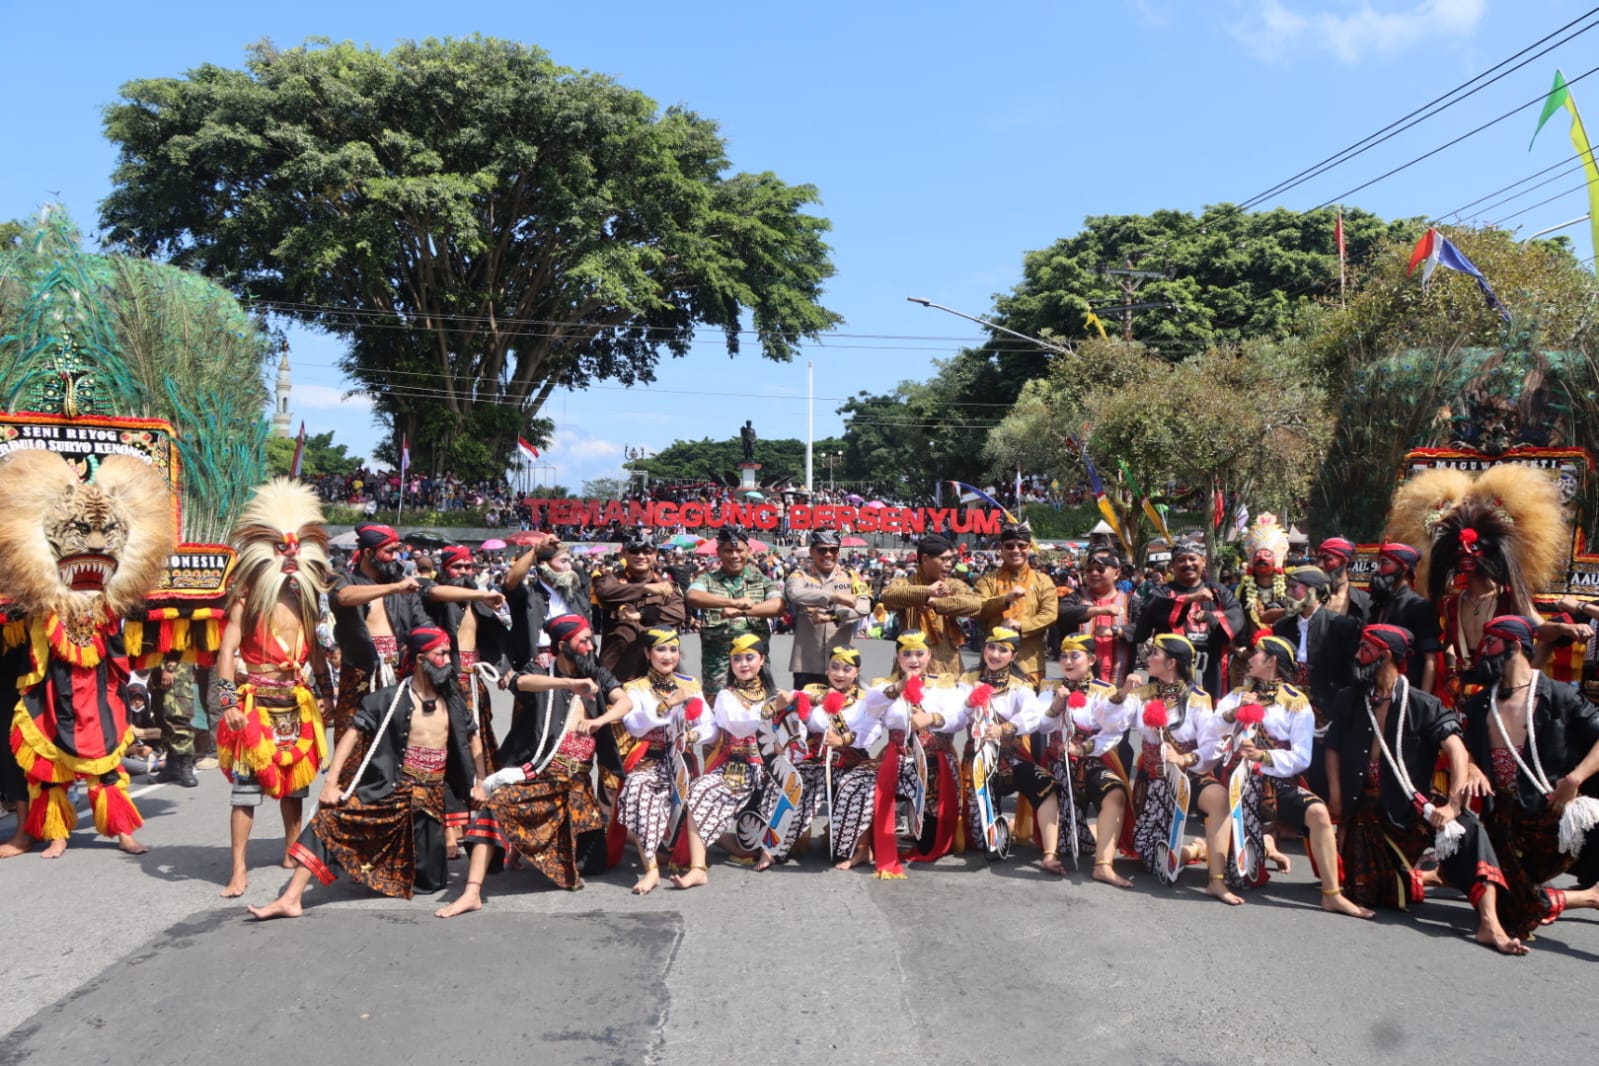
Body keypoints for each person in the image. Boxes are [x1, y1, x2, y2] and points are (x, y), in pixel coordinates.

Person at [0, 451, 175, 859]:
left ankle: (121, 829)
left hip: (98, 687)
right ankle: (54, 831)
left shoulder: (114, 594)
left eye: (105, 532)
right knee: (47, 759)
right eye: (82, 531)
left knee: (107, 755)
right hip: (51, 684)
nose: (95, 544)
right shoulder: (38, 592)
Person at [247, 627, 486, 919]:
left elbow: (474, 737)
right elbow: (351, 735)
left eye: (449, 653)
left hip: (433, 801)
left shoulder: (454, 700)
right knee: (329, 819)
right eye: (441, 654)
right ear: (421, 658)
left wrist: (481, 782)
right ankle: (291, 898)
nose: (448, 660)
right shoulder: (389, 699)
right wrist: (331, 783)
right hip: (393, 790)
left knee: (429, 882)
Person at [1323, 625, 1523, 955]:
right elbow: (1331, 746)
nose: (1358, 655)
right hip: (1364, 810)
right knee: (1370, 893)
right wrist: (1335, 794)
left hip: (1409, 806)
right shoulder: (1350, 699)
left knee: (1469, 832)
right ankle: (1424, 876)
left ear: (1386, 656)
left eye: (1365, 649)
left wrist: (1455, 805)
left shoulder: (1423, 705)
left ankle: (1490, 924)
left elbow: (1457, 750)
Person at [436, 615, 631, 917]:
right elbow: (520, 681)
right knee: (496, 802)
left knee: (591, 865)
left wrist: (598, 721)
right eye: (583, 640)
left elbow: (624, 702)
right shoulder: (542, 672)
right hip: (542, 774)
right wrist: (569, 683)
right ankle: (472, 891)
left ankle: (523, 846)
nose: (590, 645)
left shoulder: (596, 673)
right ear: (563, 645)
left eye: (590, 639)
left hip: (576, 786)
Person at [213, 479, 336, 898]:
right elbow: (226, 652)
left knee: (294, 786)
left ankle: (291, 849)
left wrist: (328, 693)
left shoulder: (306, 598)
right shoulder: (247, 599)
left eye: (295, 549)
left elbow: (317, 652)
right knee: (245, 791)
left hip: (295, 701)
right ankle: (238, 869)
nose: (289, 556)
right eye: (282, 549)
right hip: (255, 703)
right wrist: (228, 701)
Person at [1456, 615, 1599, 940]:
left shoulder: (1559, 696)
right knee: (1497, 904)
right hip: (1500, 821)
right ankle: (1588, 897)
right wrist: (1473, 767)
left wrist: (1575, 779)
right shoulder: (1480, 703)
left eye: (1491, 644)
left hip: (1549, 820)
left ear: (1516, 646)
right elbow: (1460, 747)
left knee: (1508, 908)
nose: (1483, 651)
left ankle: (1582, 893)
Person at [1214, 634, 1372, 918]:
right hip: (1239, 782)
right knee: (1240, 874)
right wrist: (1235, 712)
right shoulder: (1239, 694)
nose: (1249, 659)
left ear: (1272, 661)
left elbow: (1302, 758)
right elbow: (1212, 729)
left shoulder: (1297, 703)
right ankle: (1224, 850)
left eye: (1256, 654)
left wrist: (1262, 756)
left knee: (1318, 812)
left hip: (1276, 779)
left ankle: (1332, 894)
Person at [671, 634, 801, 888]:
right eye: (737, 659)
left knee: (791, 787)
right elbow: (738, 726)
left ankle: (768, 850)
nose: (744, 664)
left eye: (750, 657)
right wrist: (692, 735)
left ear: (762, 660)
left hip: (771, 769)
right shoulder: (726, 696)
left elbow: (796, 734)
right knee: (700, 790)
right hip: (736, 768)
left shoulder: (777, 695)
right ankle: (698, 867)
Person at [1119, 634, 1240, 904]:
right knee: (1151, 856)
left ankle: (1216, 881)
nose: (1147, 659)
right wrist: (1123, 693)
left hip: (1190, 775)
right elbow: (1111, 723)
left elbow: (1213, 747)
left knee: (1220, 798)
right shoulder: (1142, 695)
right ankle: (1195, 849)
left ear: (1171, 662)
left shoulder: (1199, 698)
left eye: (1154, 654)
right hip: (1153, 779)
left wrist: (1185, 760)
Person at [863, 631, 968, 873]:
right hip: (897, 756)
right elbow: (872, 706)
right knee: (860, 782)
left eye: (919, 654)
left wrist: (931, 718)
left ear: (929, 655)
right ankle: (866, 840)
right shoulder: (884, 685)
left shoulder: (943, 684)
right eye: (906, 654)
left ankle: (923, 826)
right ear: (898, 657)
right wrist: (899, 687)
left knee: (927, 845)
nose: (914, 660)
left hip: (934, 758)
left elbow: (959, 718)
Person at [959, 626, 1061, 870]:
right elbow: (955, 716)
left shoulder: (1020, 685)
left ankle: (1049, 854)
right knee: (988, 844)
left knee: (1045, 783)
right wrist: (967, 705)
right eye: (991, 647)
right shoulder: (968, 681)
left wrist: (1004, 729)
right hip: (978, 760)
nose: (995, 654)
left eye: (1003, 650)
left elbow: (1032, 716)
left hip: (1011, 757)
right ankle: (1001, 826)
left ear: (1013, 656)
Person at [1038, 634, 1133, 886]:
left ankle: (1103, 865)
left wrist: (1084, 749)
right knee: (1071, 841)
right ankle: (1029, 832)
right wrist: (1057, 704)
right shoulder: (1050, 686)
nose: (1068, 661)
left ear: (1091, 659)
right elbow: (1042, 726)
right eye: (1063, 656)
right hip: (1059, 763)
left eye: (1074, 656)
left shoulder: (1105, 691)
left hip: (1093, 761)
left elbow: (1113, 731)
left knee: (1115, 793)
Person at [329, 523, 428, 767]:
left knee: (398, 752)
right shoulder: (345, 580)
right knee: (353, 754)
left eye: (397, 551)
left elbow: (425, 620)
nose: (395, 557)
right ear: (367, 553)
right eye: (388, 551)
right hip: (361, 677)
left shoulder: (404, 587)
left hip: (397, 677)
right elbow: (343, 597)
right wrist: (394, 587)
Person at [614, 628, 704, 895]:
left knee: (695, 797)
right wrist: (666, 705)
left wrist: (696, 733)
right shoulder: (634, 688)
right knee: (638, 789)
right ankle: (650, 870)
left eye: (673, 649)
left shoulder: (690, 684)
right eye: (661, 649)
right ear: (647, 653)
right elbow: (635, 726)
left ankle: (693, 864)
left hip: (681, 761)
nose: (668, 656)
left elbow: (708, 723)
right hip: (648, 759)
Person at [1271, 565, 1360, 797]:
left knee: (1321, 765)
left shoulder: (1341, 626)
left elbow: (1352, 673)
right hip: (1288, 707)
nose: (1288, 593)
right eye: (1288, 587)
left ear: (1313, 591)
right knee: (1287, 759)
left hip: (1327, 710)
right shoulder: (1282, 627)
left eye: (1294, 587)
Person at [803, 647, 890, 870]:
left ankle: (860, 848)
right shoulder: (813, 693)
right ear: (826, 669)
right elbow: (799, 722)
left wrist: (843, 740)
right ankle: (781, 842)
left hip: (852, 761)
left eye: (846, 669)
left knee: (857, 785)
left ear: (856, 672)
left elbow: (872, 731)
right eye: (835, 667)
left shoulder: (866, 699)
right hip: (819, 761)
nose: (839, 674)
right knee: (794, 782)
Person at [1131, 538, 1244, 702]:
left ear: (1203, 561)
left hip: (1210, 667)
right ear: (1173, 565)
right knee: (1166, 719)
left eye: (1192, 558)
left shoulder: (1219, 592)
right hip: (1169, 670)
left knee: (1208, 716)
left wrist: (1211, 617)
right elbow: (1149, 615)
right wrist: (1189, 599)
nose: (1187, 564)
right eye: (1181, 560)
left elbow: (1236, 615)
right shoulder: (1161, 593)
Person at [685, 527, 782, 703]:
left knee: (759, 711)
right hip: (717, 666)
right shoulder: (707, 579)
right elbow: (693, 595)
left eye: (739, 550)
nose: (734, 555)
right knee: (717, 712)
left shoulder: (762, 580)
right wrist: (731, 602)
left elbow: (778, 605)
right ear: (718, 552)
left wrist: (742, 611)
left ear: (749, 551)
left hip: (754, 664)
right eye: (728, 551)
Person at [879, 534, 983, 677]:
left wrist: (936, 603)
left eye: (950, 560)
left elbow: (976, 604)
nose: (949, 564)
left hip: (949, 668)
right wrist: (926, 591)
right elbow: (887, 597)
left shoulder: (953, 585)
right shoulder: (904, 584)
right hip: (911, 668)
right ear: (925, 559)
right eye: (943, 559)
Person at [592, 529, 687, 683]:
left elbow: (678, 613)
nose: (641, 556)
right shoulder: (611, 580)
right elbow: (603, 593)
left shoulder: (666, 585)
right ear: (624, 554)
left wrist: (644, 614)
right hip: (617, 672)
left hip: (657, 672)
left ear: (655, 554)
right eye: (634, 551)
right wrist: (645, 588)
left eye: (647, 551)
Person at [784, 528, 870, 689]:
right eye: (822, 550)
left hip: (843, 664)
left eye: (833, 550)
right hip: (807, 664)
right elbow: (794, 594)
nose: (828, 554)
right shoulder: (799, 576)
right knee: (804, 712)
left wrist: (834, 616)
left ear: (839, 552)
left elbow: (865, 606)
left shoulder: (852, 577)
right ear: (812, 551)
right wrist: (834, 597)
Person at [973, 522, 1059, 682]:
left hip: (1030, 665)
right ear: (1001, 548)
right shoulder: (987, 581)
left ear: (1029, 547)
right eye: (1010, 546)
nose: (1016, 550)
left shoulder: (1043, 581)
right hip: (993, 663)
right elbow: (978, 607)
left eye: (1021, 546)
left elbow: (1050, 615)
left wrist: (1020, 626)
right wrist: (1004, 600)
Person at [1366, 544, 1441, 695]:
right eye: (1379, 563)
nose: (1378, 569)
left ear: (1404, 568)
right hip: (1378, 689)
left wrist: (1424, 700)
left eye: (1385, 563)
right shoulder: (1379, 604)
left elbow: (1430, 659)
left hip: (1407, 690)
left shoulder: (1419, 606)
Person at [1058, 547, 1139, 688]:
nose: (1094, 573)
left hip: (1120, 685)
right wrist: (1097, 610)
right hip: (1079, 688)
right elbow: (1062, 612)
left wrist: (1117, 631)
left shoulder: (1132, 602)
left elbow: (1143, 628)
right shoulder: (1076, 598)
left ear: (1116, 573)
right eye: (1089, 570)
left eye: (1100, 569)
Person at [148, 651, 198, 787]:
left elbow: (178, 637)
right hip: (157, 661)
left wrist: (170, 666)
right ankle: (172, 765)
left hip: (177, 663)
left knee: (178, 715)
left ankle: (186, 766)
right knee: (161, 716)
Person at [1315, 537, 1372, 624]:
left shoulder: (1363, 601)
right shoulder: (1312, 595)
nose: (1320, 565)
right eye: (1319, 559)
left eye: (1328, 559)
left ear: (1345, 561)